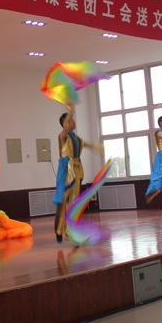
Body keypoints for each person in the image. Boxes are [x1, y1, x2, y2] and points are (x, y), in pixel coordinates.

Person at [54, 103, 103, 243]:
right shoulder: (62, 137)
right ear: (66, 124)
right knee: (63, 201)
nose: (74, 122)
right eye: (71, 120)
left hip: (76, 169)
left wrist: (96, 147)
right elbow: (64, 131)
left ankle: (71, 231)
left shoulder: (77, 138)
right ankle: (59, 230)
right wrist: (70, 111)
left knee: (74, 202)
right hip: (66, 170)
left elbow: (86, 145)